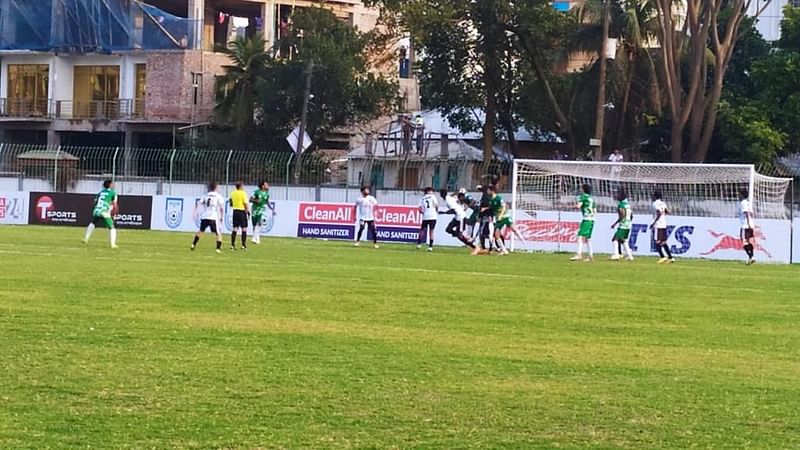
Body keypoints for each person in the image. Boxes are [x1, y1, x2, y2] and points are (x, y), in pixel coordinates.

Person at [83, 179, 118, 248]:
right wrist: (114, 213)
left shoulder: (100, 192)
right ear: (110, 185)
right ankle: (113, 244)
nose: (114, 185)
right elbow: (115, 205)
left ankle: (85, 238)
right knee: (112, 227)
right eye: (113, 184)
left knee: (93, 222)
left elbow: (94, 202)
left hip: (97, 210)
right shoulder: (113, 193)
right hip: (104, 211)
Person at [191, 182, 225, 253]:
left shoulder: (205, 195)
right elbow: (221, 208)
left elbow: (198, 203)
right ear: (216, 188)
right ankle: (218, 249)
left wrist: (195, 212)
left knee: (200, 231)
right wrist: (221, 216)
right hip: (213, 217)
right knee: (218, 233)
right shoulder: (218, 196)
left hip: (205, 216)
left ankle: (193, 244)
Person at [571, 184, 595, 261]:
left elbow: (578, 206)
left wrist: (571, 206)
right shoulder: (591, 198)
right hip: (592, 219)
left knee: (580, 236)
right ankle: (591, 256)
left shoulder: (583, 196)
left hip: (586, 219)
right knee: (588, 238)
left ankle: (578, 254)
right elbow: (595, 211)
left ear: (583, 189)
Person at [650, 190, 675, 264]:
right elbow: (667, 212)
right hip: (664, 224)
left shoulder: (655, 204)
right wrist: (670, 210)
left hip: (658, 225)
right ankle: (671, 257)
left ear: (655, 196)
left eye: (653, 196)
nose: (652, 197)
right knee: (663, 242)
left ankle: (662, 257)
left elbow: (659, 213)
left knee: (657, 242)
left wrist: (654, 223)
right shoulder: (663, 203)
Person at [610, 189, 634, 261]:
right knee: (624, 241)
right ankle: (630, 256)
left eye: (618, 194)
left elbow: (622, 215)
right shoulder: (628, 205)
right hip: (628, 225)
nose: (616, 196)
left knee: (614, 239)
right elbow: (632, 215)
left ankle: (616, 255)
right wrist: (628, 221)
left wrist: (614, 224)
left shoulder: (621, 205)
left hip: (623, 225)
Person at [229, 181, 250, 251]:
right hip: (242, 211)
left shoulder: (233, 193)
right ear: (240, 186)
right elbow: (245, 203)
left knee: (235, 228)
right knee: (244, 228)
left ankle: (232, 245)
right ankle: (243, 245)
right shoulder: (243, 193)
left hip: (235, 211)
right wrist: (248, 211)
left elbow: (231, 203)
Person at [417, 187, 439, 251]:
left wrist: (423, 212)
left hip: (426, 216)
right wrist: (436, 211)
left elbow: (420, 209)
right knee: (431, 231)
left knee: (422, 230)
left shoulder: (422, 198)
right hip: (433, 216)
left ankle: (419, 244)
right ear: (429, 191)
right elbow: (436, 205)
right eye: (432, 191)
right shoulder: (433, 197)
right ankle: (430, 247)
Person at [739, 188, 756, 265]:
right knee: (749, 241)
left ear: (742, 195)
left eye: (739, 194)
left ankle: (751, 257)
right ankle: (751, 257)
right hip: (750, 225)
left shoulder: (743, 203)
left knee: (744, 242)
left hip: (745, 225)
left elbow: (747, 213)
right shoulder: (749, 203)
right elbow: (751, 213)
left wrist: (748, 222)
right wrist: (752, 223)